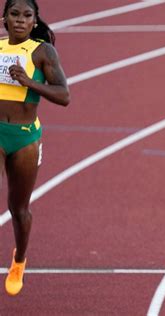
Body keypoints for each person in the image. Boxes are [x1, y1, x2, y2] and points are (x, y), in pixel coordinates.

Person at [1, 0, 70, 296]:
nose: (20, 20)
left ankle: (19, 259)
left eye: (26, 15)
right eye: (14, 14)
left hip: (25, 137)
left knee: (18, 209)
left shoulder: (43, 52)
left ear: (34, 20)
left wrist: (29, 82)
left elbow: (64, 95)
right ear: (4, 18)